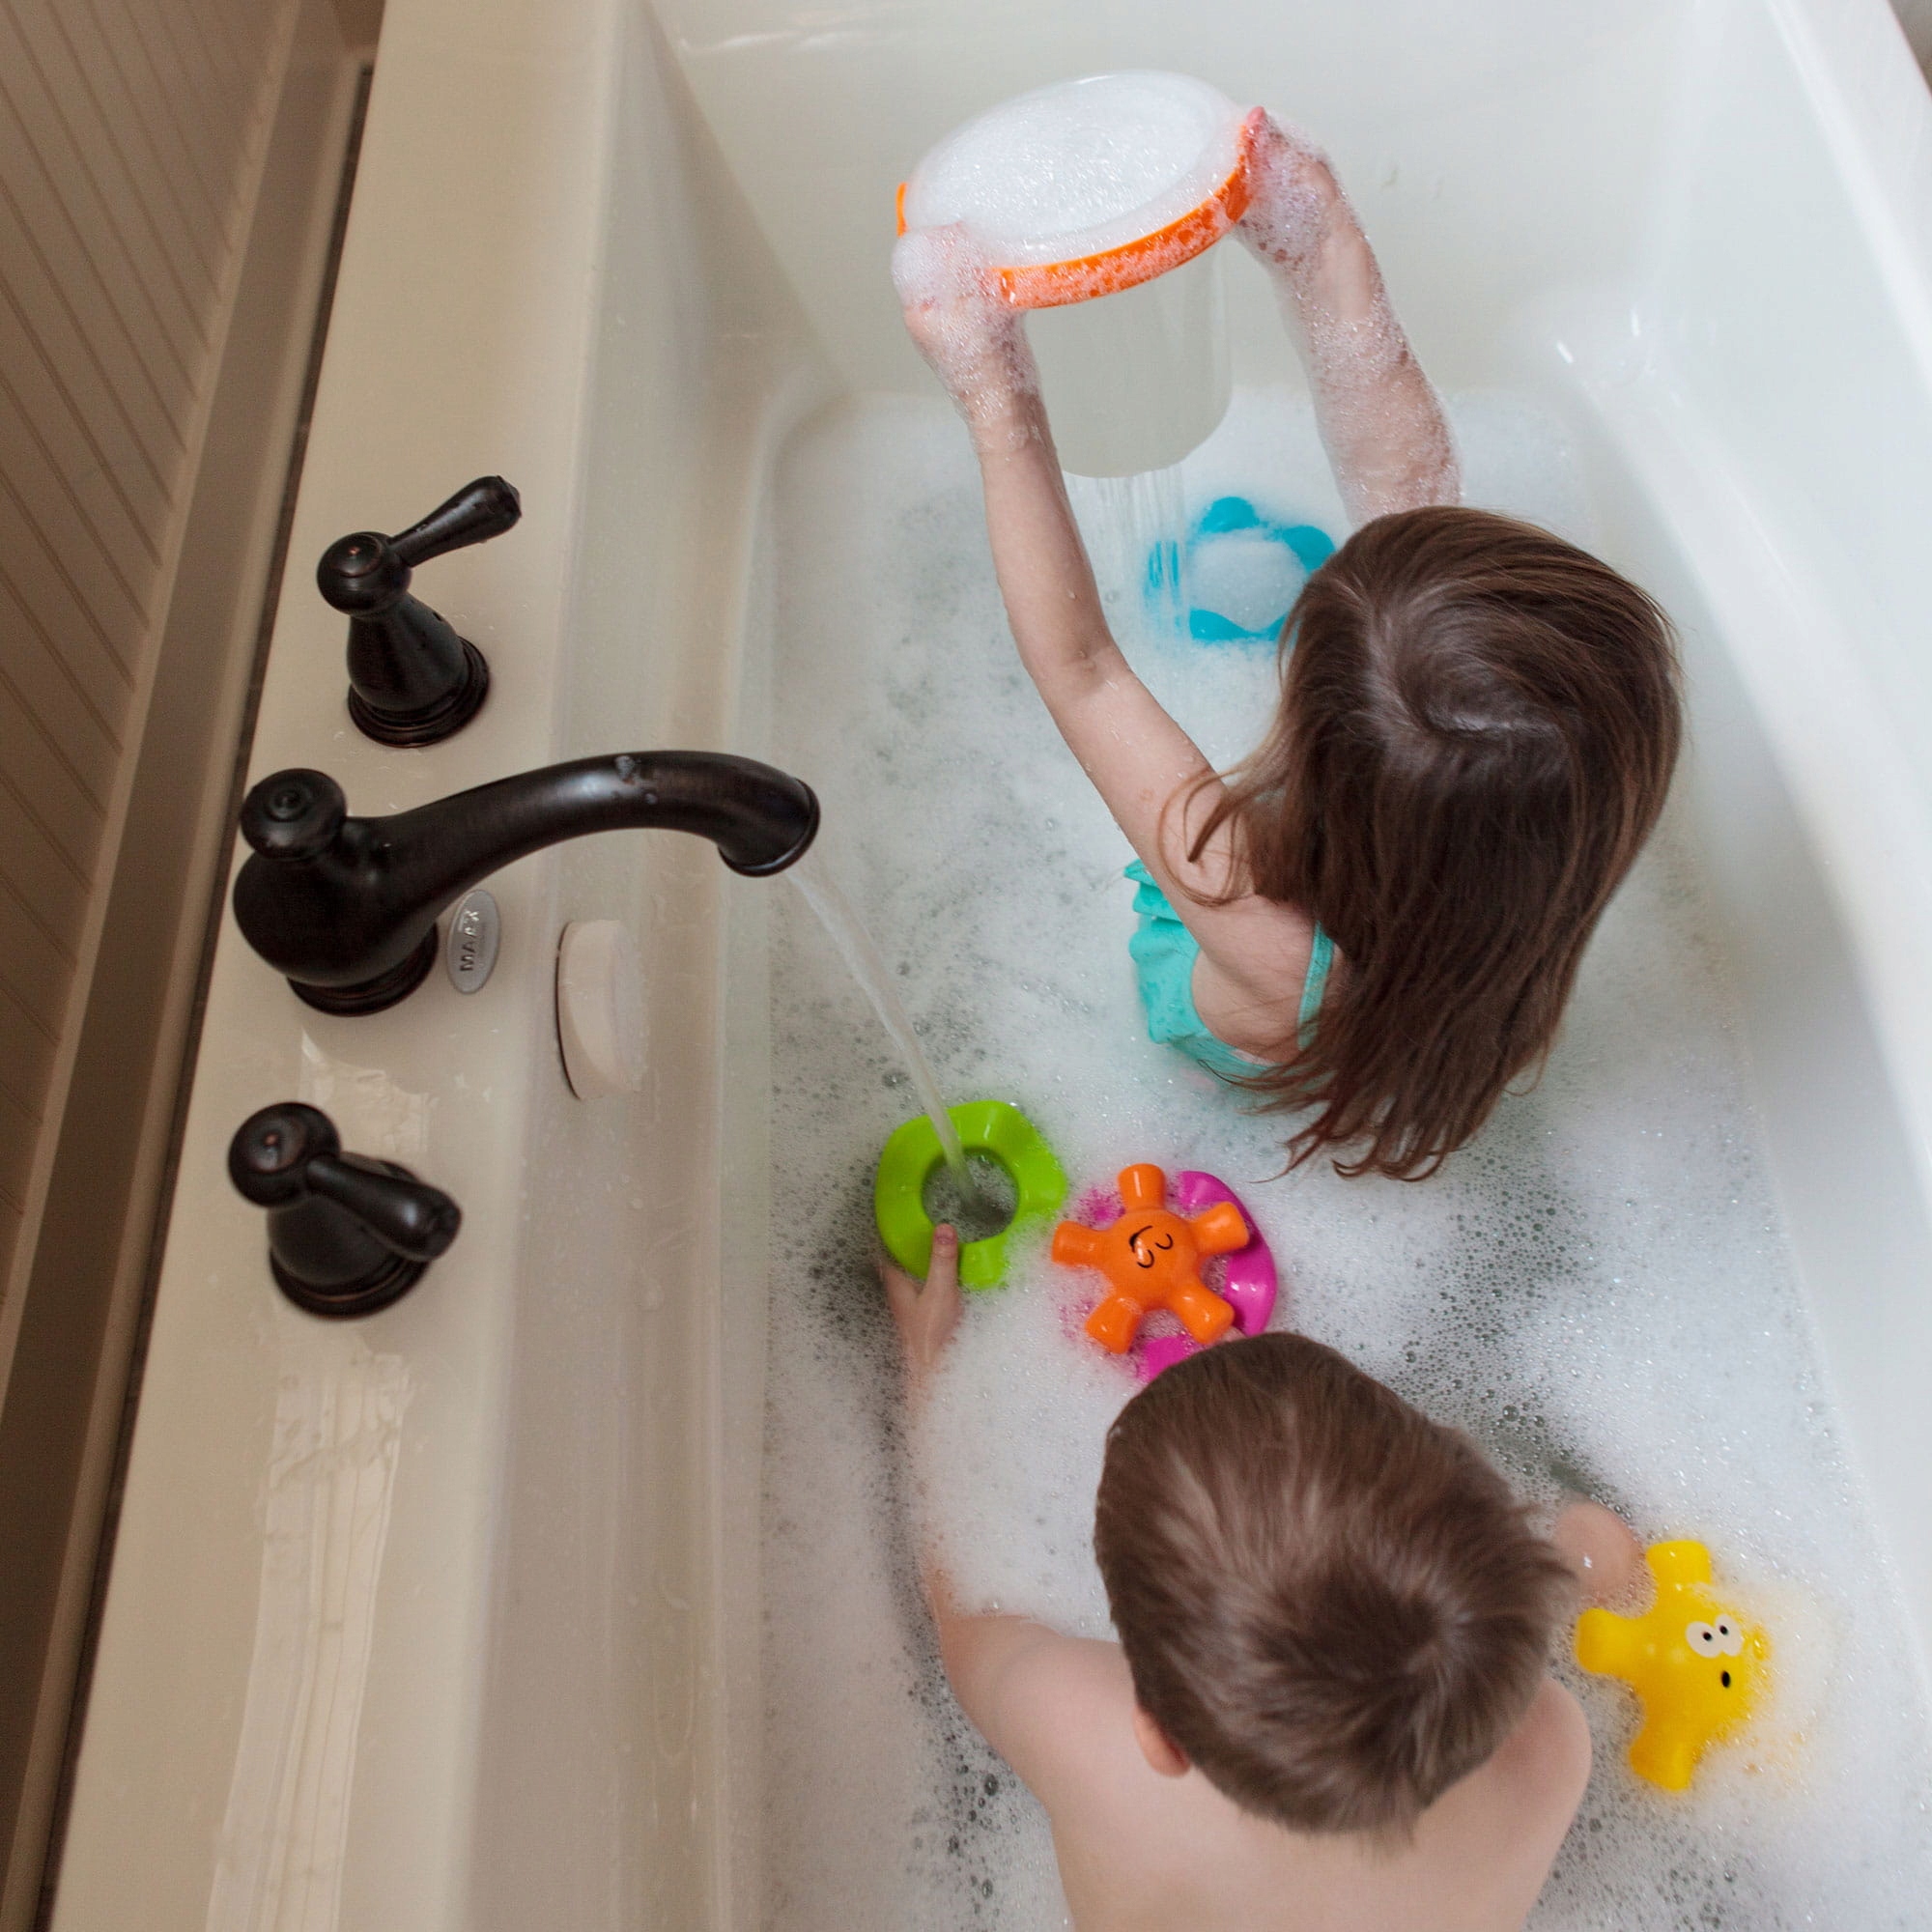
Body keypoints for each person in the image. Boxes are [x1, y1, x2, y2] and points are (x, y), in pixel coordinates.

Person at [893, 111, 1682, 1179]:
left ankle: (1198, 1086)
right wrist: (1319, 242)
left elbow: (1084, 672)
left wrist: (996, 397)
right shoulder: (1537, 874)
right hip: (1414, 1031)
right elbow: (1407, 487)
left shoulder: (1241, 900)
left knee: (1222, 1038)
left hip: (1234, 1043)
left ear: (1314, 762)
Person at [885, 1226, 1646, 1931]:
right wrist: (1574, 1563)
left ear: (1159, 1735)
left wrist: (933, 1368)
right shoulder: (1549, 1748)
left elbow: (969, 1629)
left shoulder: (1091, 1742)